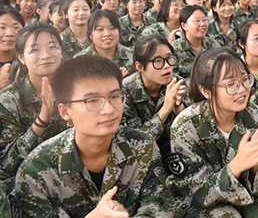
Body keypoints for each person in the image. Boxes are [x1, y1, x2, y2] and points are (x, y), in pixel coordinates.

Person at [13, 55, 176, 217]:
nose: (109, 110)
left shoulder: (142, 147)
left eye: (114, 97)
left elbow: (159, 208)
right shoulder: (37, 170)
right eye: (92, 101)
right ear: (64, 111)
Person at [167, 48, 258, 217]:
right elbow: (195, 196)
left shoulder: (257, 118)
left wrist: (256, 168)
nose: (242, 89)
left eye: (245, 80)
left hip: (245, 196)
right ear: (206, 91)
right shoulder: (185, 126)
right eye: (231, 85)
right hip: (202, 206)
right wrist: (237, 166)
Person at [0, 23, 67, 190]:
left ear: (61, 50)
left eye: (52, 47)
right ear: (21, 57)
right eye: (35, 50)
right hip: (30, 181)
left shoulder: (78, 87)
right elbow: (7, 162)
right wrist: (42, 119)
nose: (45, 55)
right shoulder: (8, 99)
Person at [122, 35, 186, 160]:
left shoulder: (175, 82)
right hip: (139, 159)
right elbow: (136, 143)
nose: (167, 65)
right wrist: (165, 109)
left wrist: (178, 106)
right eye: (158, 61)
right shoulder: (125, 90)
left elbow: (187, 132)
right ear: (140, 67)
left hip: (172, 152)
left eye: (169, 58)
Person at [76, 10, 134, 74]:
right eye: (100, 29)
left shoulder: (133, 55)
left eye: (112, 28)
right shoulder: (79, 61)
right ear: (90, 35)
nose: (107, 34)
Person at [172, 5, 219, 81]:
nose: (202, 24)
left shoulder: (212, 44)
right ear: (184, 26)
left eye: (204, 20)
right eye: (197, 21)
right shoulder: (174, 49)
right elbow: (174, 79)